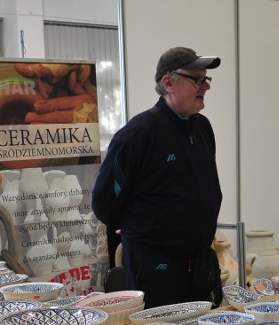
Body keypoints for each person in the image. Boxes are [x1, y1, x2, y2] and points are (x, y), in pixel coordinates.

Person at [92, 47, 223, 309]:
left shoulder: (202, 128)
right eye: (197, 80)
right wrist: (136, 224)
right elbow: (104, 202)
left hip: (198, 267)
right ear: (167, 83)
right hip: (155, 272)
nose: (205, 87)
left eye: (206, 80)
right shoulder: (137, 135)